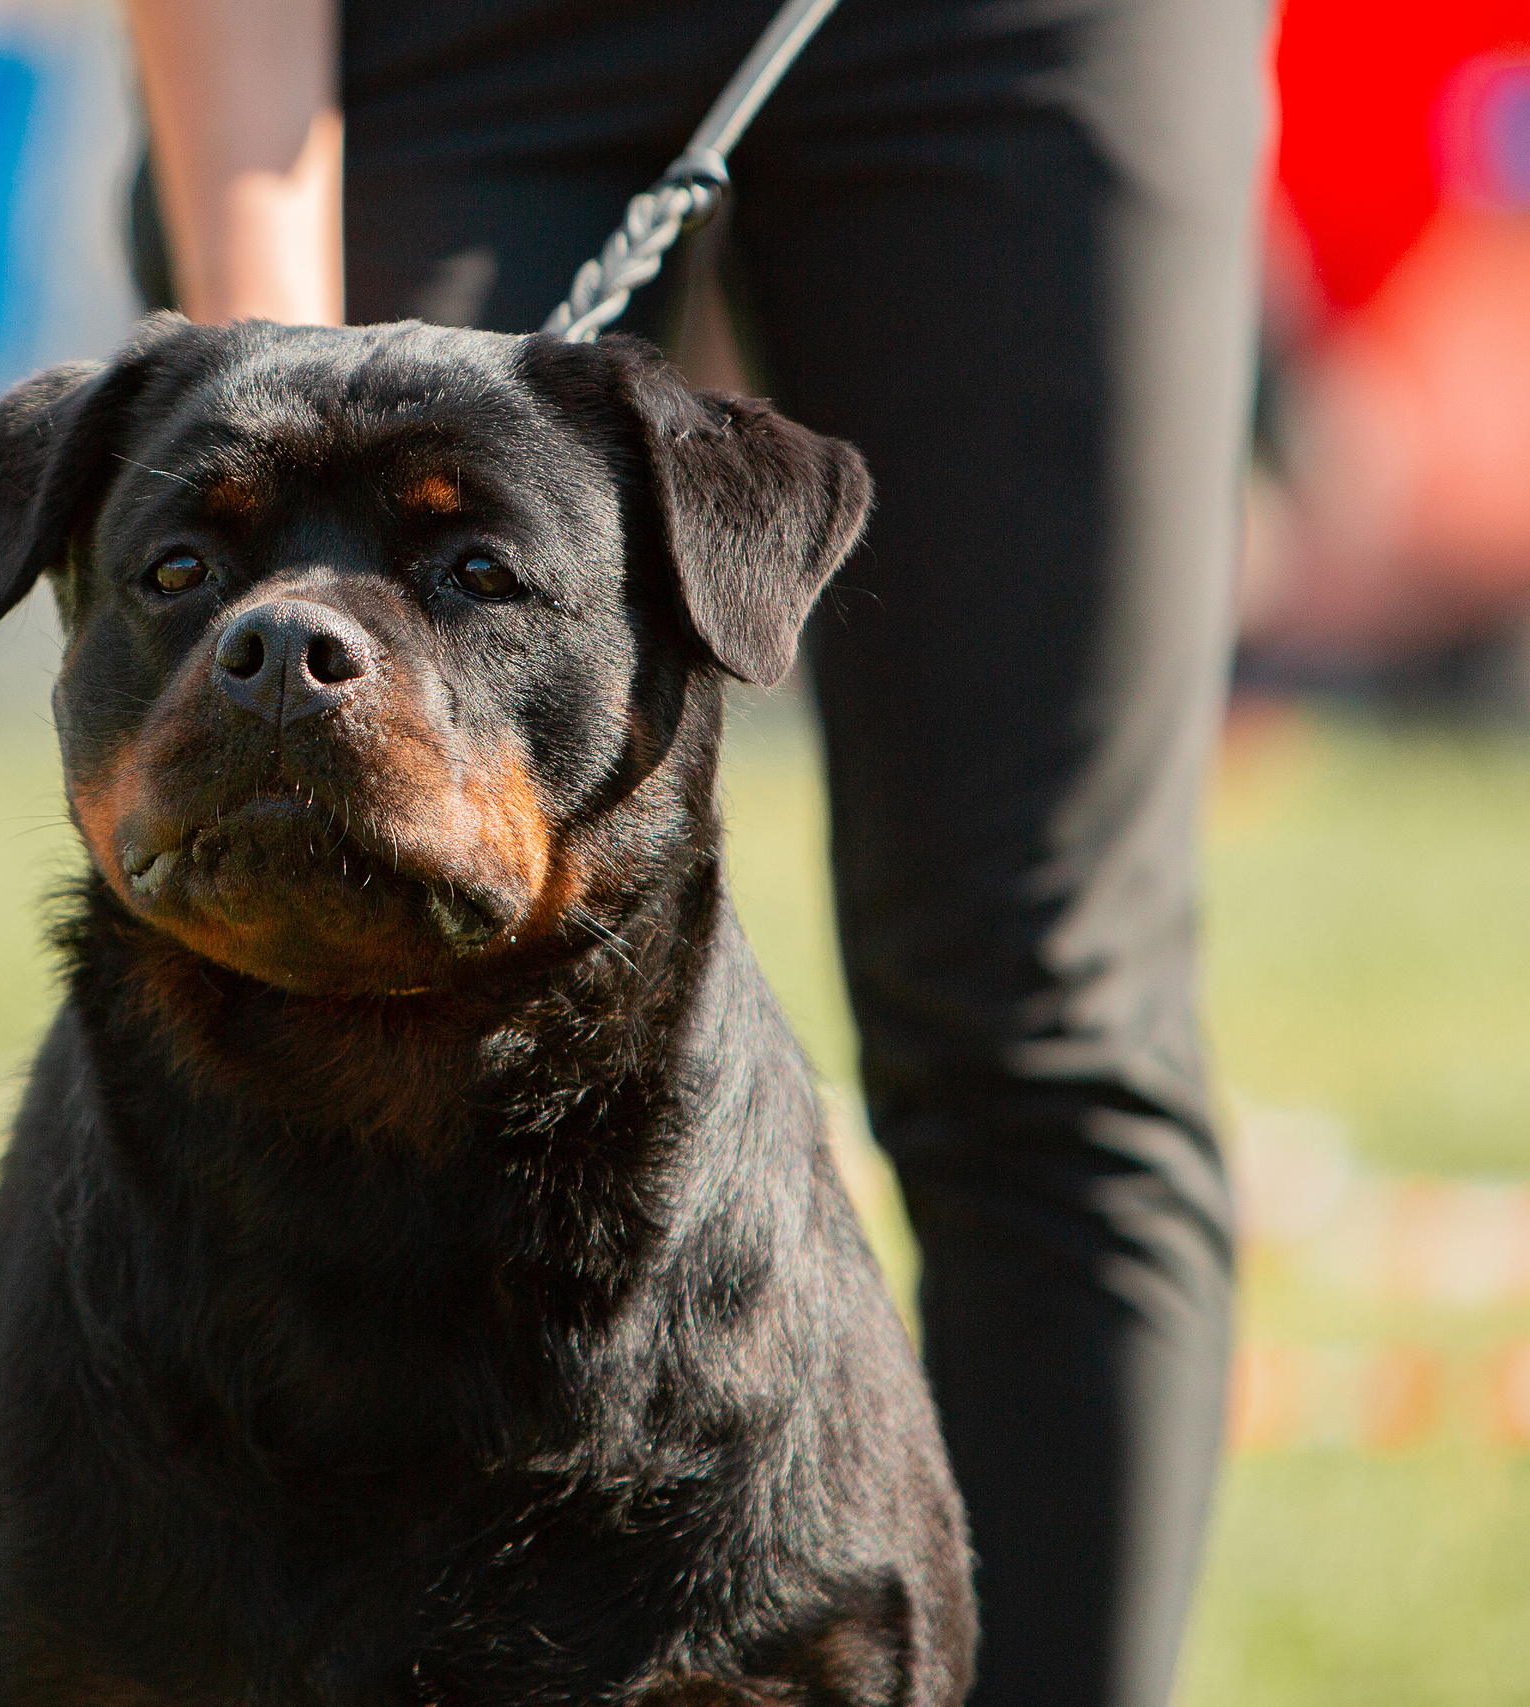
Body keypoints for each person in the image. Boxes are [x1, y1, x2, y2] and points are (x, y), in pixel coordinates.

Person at [121, 2, 1263, 1704]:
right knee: (272, 943)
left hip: (1019, 37)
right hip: (428, 38)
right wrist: (271, 348)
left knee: (1046, 1006)